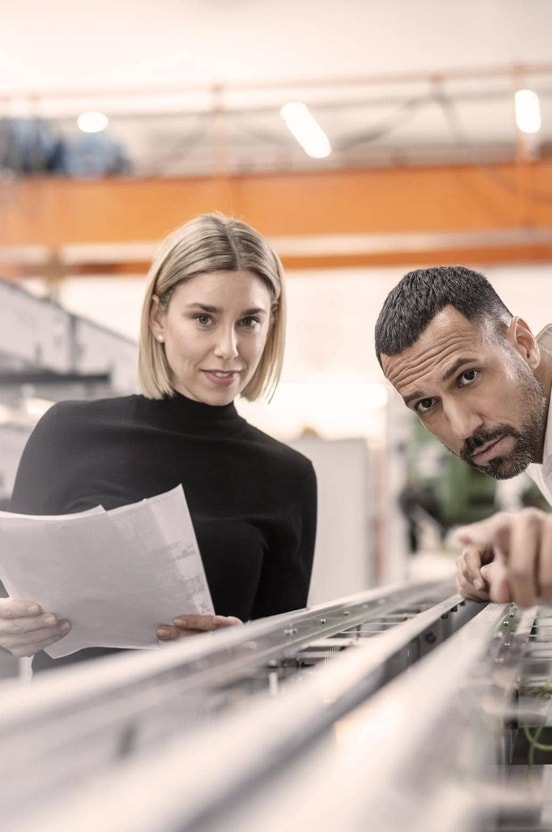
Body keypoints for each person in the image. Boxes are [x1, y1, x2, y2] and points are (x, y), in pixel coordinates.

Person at [0, 213, 317, 671]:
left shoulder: (288, 475)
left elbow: (287, 663)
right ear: (159, 319)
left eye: (249, 321)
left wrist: (250, 650)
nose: (229, 347)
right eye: (204, 318)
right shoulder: (67, 434)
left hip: (213, 732)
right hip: (72, 731)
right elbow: (10, 609)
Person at [374, 265, 552, 612]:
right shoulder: (532, 431)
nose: (462, 428)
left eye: (468, 376)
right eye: (427, 404)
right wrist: (518, 564)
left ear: (525, 345)